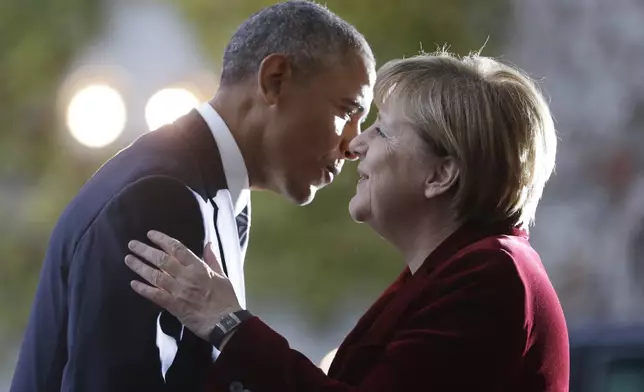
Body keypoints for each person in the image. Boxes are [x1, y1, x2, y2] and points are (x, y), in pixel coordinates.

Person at [125, 50, 569, 392]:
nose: (356, 145)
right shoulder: (466, 270)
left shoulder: (491, 276)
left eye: (384, 130)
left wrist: (226, 322)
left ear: (440, 174)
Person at [10, 2, 374, 391]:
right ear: (275, 79)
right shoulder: (159, 194)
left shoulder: (213, 190)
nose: (354, 144)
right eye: (347, 110)